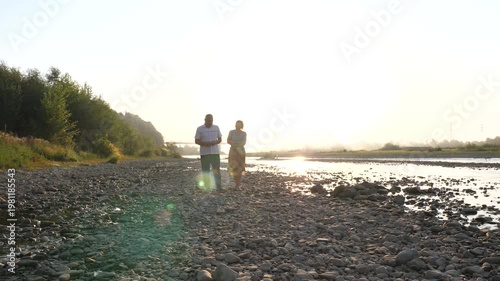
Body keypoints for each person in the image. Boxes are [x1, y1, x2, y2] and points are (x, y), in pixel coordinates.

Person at [195, 114, 222, 192]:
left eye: (211, 121)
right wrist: (205, 144)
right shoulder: (199, 129)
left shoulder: (216, 128)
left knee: (216, 170)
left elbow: (220, 139)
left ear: (212, 120)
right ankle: (207, 188)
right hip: (205, 153)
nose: (209, 122)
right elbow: (196, 141)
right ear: (205, 120)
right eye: (208, 120)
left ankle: (219, 188)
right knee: (206, 171)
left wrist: (215, 142)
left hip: (215, 153)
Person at [227, 120, 246, 189]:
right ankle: (236, 184)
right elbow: (228, 141)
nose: (238, 126)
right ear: (235, 125)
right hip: (232, 151)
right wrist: (237, 143)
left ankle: (237, 185)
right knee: (234, 167)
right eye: (237, 124)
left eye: (239, 125)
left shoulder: (244, 133)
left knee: (240, 167)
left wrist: (234, 143)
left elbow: (243, 142)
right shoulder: (231, 132)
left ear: (241, 126)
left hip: (240, 152)